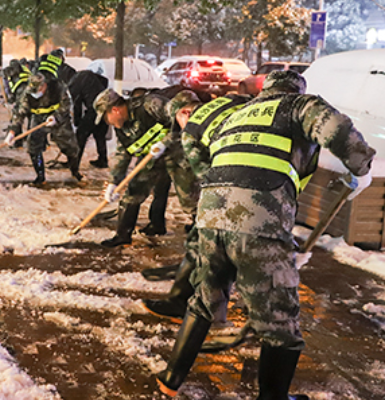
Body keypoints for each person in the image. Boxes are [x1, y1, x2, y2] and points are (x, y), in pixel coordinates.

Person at [155, 70, 376, 399]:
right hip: (260, 217)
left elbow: (201, 149)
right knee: (279, 318)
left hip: (212, 215)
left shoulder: (238, 113)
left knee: (205, 297)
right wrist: (362, 166)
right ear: (294, 90)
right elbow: (335, 128)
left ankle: (171, 378)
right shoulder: (297, 107)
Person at [142, 91, 252, 323]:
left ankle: (185, 302)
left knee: (208, 245)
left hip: (233, 190)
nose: (180, 128)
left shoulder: (192, 129)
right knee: (250, 248)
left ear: (184, 113)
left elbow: (205, 176)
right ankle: (251, 308)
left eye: (178, 122)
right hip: (268, 184)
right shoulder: (234, 104)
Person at [93, 88, 198, 247]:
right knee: (133, 192)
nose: (108, 122)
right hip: (151, 159)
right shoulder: (122, 128)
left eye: (106, 118)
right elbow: (122, 154)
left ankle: (204, 234)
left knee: (189, 196)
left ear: (115, 110)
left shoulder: (150, 105)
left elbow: (181, 121)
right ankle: (123, 235)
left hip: (177, 154)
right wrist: (114, 182)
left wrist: (165, 142)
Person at [6, 73, 83, 186]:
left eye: (38, 90)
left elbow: (66, 104)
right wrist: (12, 131)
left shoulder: (57, 87)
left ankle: (75, 172)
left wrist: (56, 117)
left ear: (44, 85)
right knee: (33, 146)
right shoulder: (27, 93)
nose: (36, 93)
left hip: (58, 119)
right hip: (38, 118)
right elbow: (20, 113)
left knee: (70, 146)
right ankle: (40, 177)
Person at [68, 70, 110, 168]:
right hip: (105, 106)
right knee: (100, 135)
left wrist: (77, 122)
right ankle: (103, 160)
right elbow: (105, 80)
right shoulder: (87, 74)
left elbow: (77, 104)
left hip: (94, 109)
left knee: (80, 136)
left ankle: (74, 163)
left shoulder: (74, 84)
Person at [3, 59, 32, 149]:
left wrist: (10, 99)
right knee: (33, 120)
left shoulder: (12, 74)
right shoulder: (25, 70)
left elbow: (10, 89)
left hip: (22, 96)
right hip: (32, 96)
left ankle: (17, 141)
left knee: (17, 118)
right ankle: (33, 142)